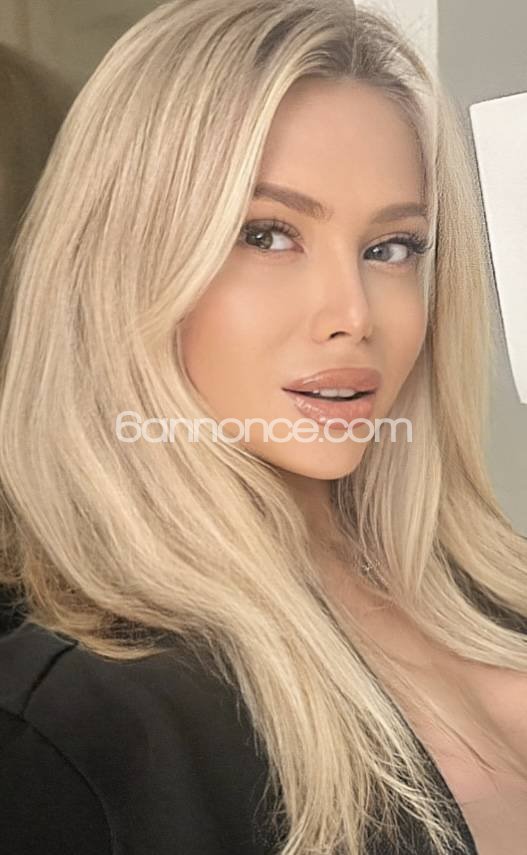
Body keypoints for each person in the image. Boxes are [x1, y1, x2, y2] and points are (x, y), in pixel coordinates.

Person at [0, 1, 525, 853]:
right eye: (267, 234)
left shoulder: (500, 596)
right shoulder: (69, 731)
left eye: (391, 247)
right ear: (123, 268)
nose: (352, 313)